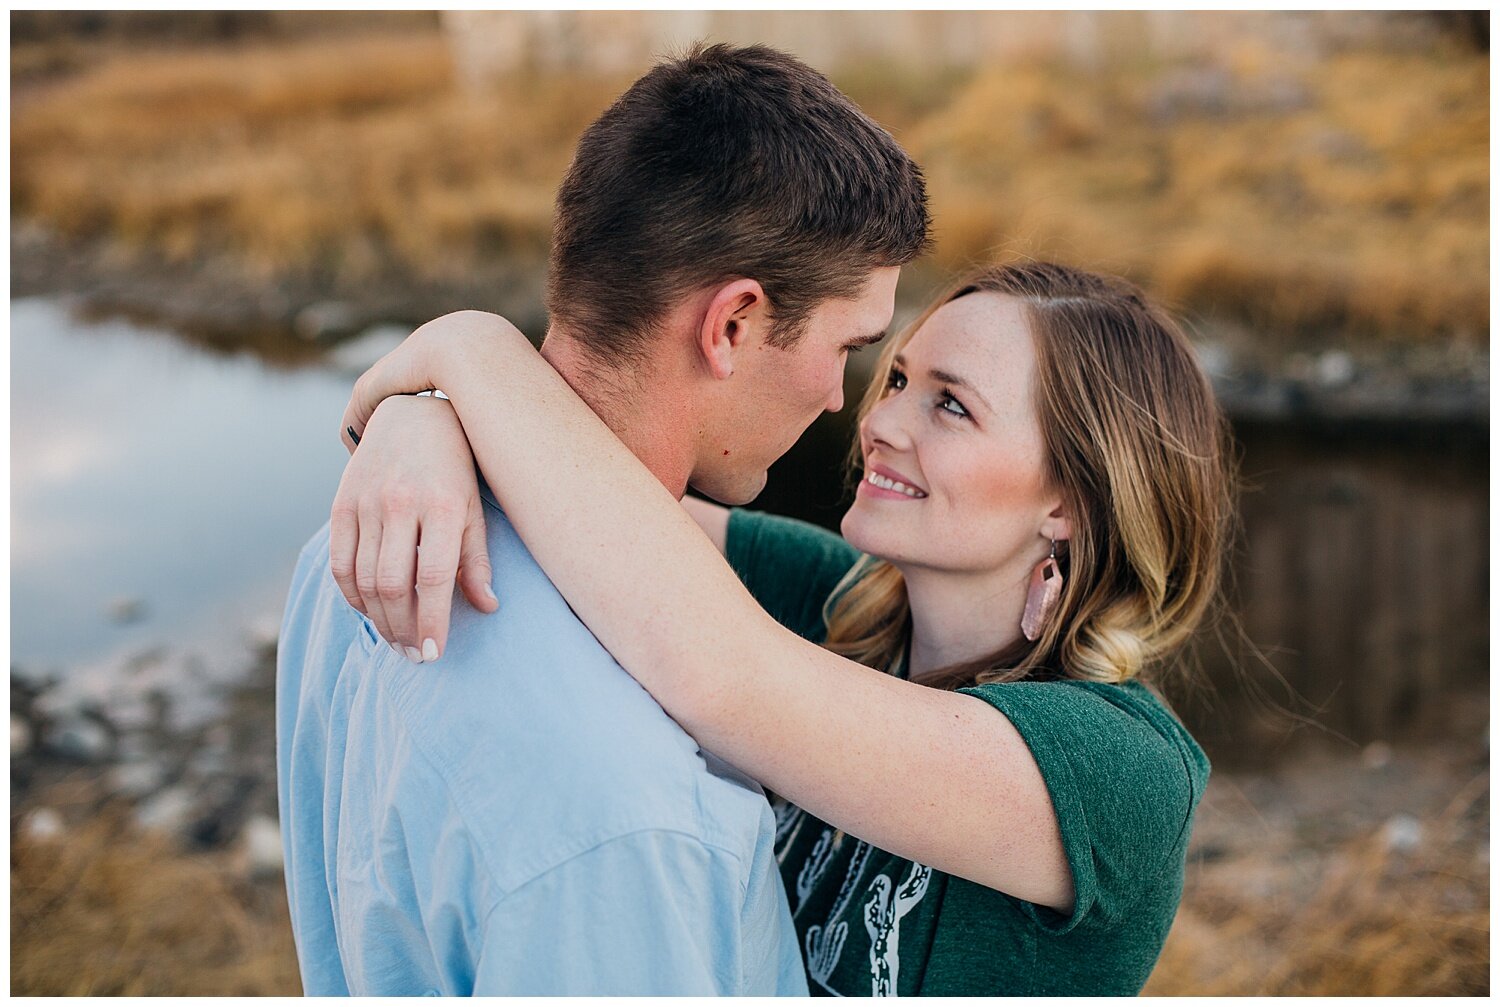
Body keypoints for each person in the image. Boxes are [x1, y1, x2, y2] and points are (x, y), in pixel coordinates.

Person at [331, 261, 1237, 995]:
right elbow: (590, 497)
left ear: (1070, 503)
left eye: (950, 404)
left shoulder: (1122, 772)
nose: (877, 420)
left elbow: (718, 671)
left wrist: (470, 345)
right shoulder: (847, 601)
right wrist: (428, 420)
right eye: (897, 378)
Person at [275, 43, 929, 995]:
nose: (841, 398)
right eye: (850, 346)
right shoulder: (633, 808)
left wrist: (440, 393)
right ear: (732, 324)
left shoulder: (348, 551)